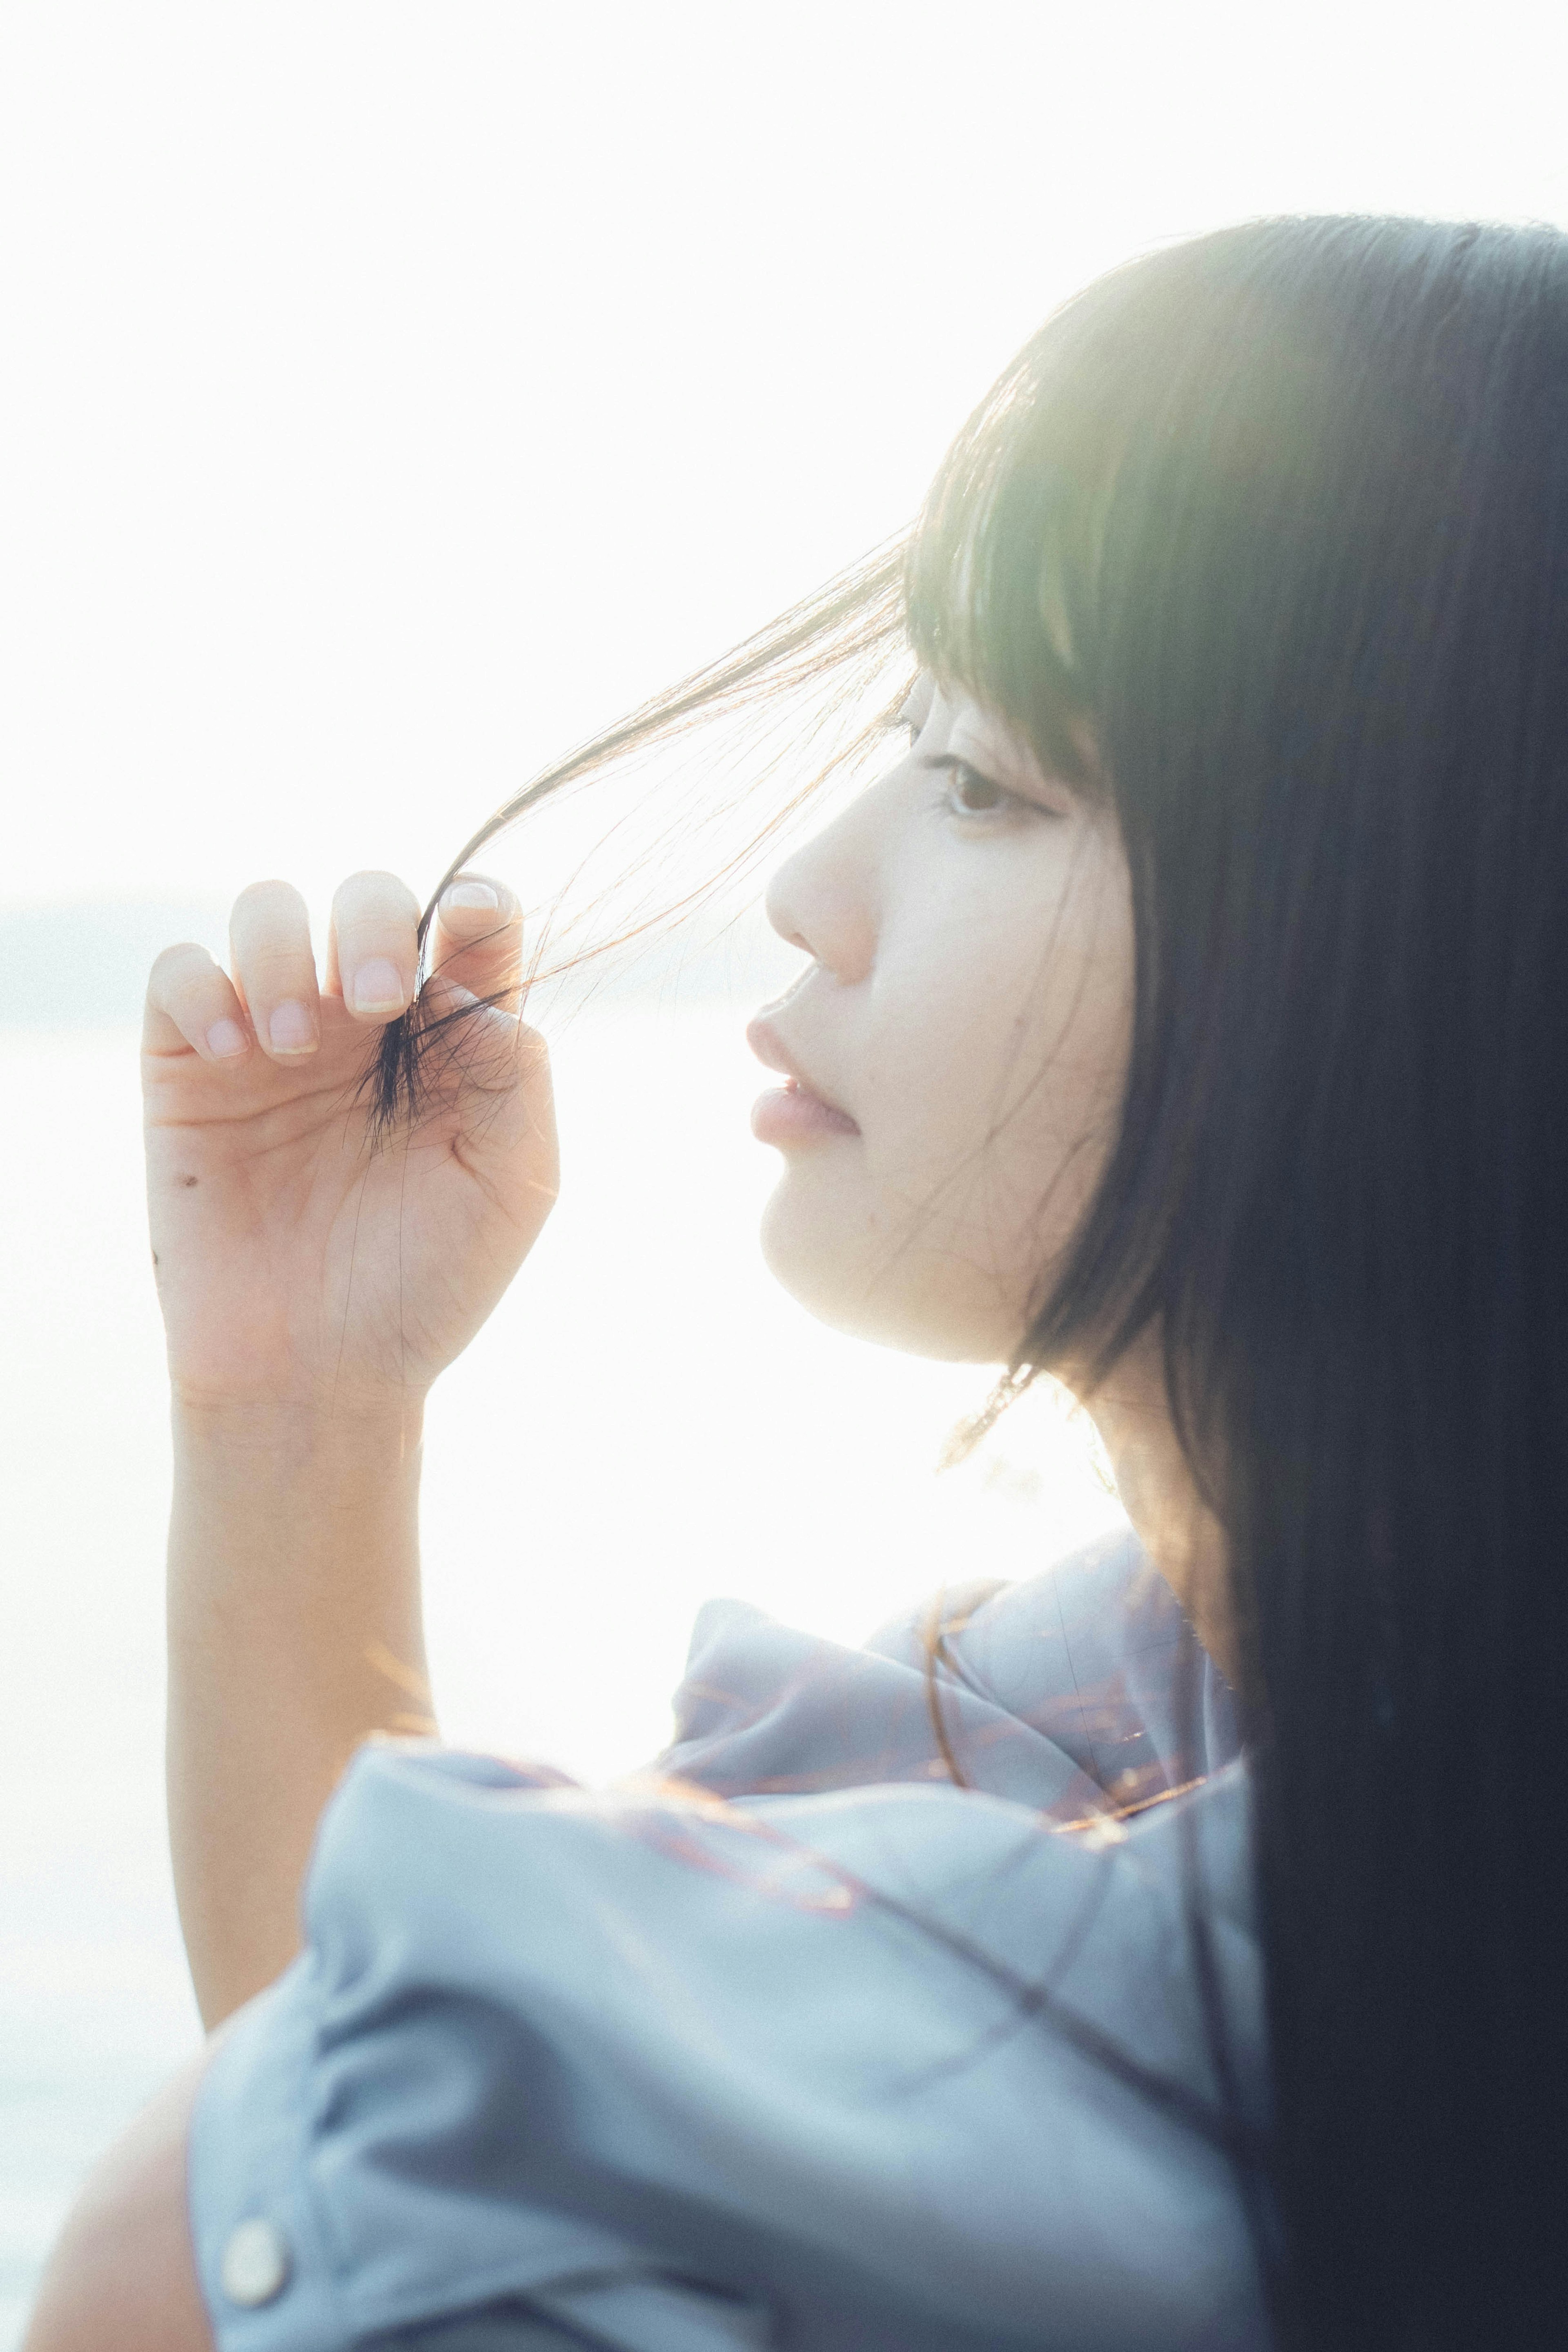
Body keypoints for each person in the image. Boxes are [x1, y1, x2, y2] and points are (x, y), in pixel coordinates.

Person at [24, 209, 1568, 2352]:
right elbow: (377, 2184)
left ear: (1408, 950)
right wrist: (297, 1396)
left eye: (983, 783)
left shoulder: (1132, 1951)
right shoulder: (1216, 1697)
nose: (814, 890)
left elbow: (275, 2233)